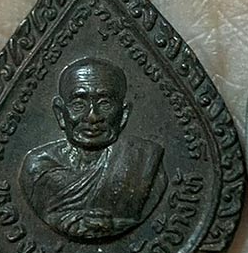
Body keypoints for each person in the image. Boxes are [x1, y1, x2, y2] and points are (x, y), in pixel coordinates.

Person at [19, 57, 167, 240]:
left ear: (123, 113)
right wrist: (69, 221)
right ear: (60, 113)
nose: (92, 117)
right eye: (78, 105)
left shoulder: (143, 161)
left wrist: (111, 225)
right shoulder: (38, 167)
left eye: (105, 104)